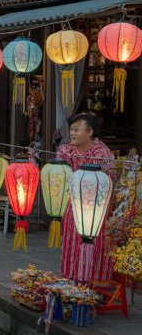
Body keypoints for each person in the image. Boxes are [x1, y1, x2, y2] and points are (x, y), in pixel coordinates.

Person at [56, 112, 115, 282]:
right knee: (70, 244)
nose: (72, 133)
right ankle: (70, 280)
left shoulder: (102, 153)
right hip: (73, 206)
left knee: (95, 244)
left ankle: (93, 283)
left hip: (96, 209)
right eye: (71, 130)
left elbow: (109, 182)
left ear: (90, 132)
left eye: (76, 130)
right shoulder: (66, 150)